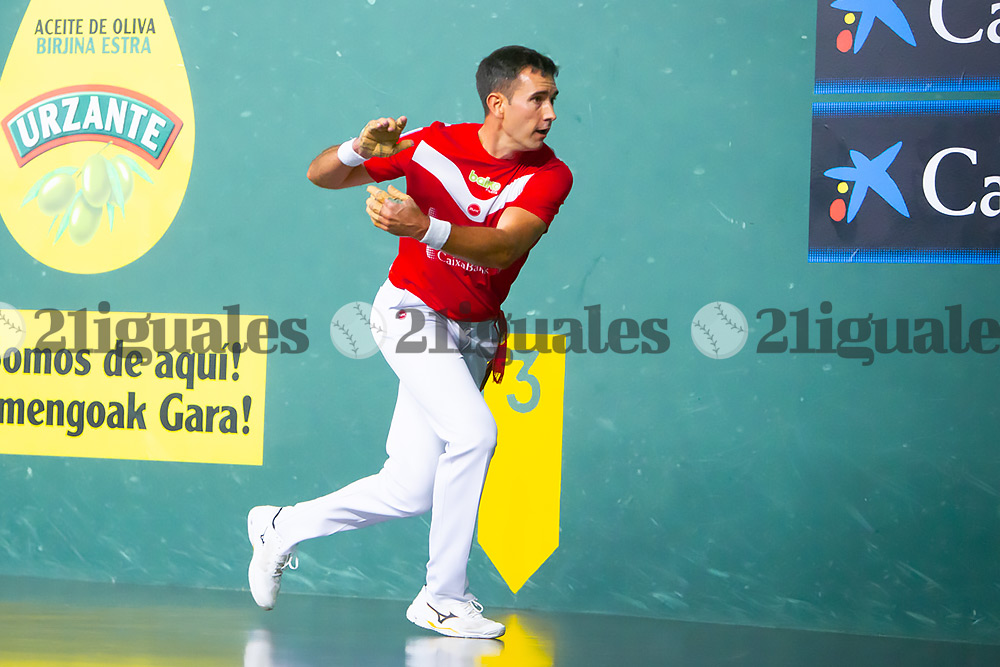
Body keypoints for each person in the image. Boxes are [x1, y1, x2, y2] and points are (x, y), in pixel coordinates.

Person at [247, 45, 572, 640]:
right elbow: (322, 175)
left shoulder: (550, 175)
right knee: (474, 435)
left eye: (553, 99)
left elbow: (504, 247)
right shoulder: (432, 145)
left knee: (410, 489)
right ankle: (442, 598)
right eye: (538, 99)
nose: (550, 113)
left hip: (474, 334)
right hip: (410, 313)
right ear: (498, 103)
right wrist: (358, 147)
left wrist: (425, 226)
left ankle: (280, 527)